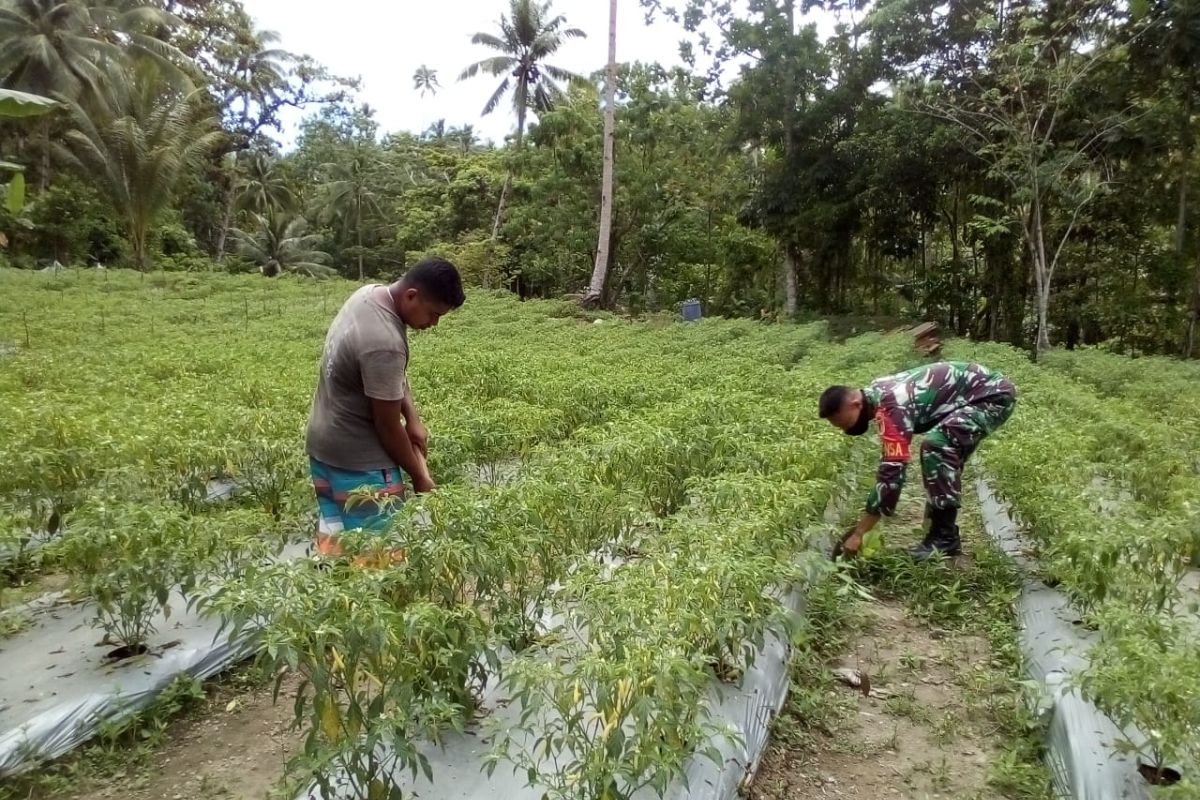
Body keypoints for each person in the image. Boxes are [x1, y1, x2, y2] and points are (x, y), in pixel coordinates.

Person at [305, 258, 465, 553]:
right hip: (360, 466)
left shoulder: (370, 295)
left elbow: (392, 377)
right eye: (433, 313)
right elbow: (387, 426)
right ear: (412, 296)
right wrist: (419, 476)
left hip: (323, 449)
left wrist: (413, 418)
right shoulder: (385, 342)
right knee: (380, 561)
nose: (433, 323)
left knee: (339, 550)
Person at [818, 361, 1017, 561]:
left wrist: (859, 533)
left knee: (937, 446)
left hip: (991, 397)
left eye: (844, 423)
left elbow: (892, 474)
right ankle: (940, 530)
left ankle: (944, 538)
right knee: (941, 451)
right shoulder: (877, 391)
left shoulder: (890, 405)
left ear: (856, 404)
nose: (845, 430)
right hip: (973, 396)